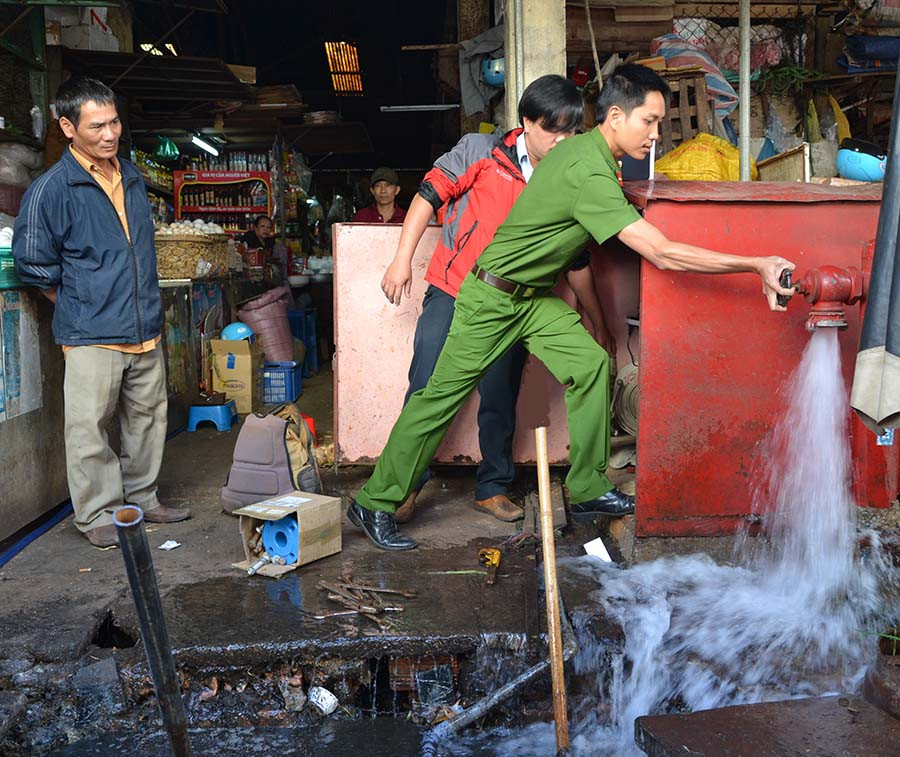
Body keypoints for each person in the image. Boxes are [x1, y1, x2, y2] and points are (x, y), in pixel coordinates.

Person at [346, 63, 795, 551]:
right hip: (491, 299)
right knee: (438, 401)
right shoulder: (587, 167)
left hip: (530, 299)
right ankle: (374, 501)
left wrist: (599, 321)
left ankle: (586, 488)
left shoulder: (589, 155)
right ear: (617, 116)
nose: (656, 134)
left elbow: (572, 250)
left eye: (660, 123)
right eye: (649, 121)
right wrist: (755, 263)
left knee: (589, 364)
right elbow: (661, 251)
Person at [380, 74, 613, 526]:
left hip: (510, 302)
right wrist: (400, 260)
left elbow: (575, 258)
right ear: (527, 121)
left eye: (573, 132)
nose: (565, 141)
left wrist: (597, 323)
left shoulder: (568, 176)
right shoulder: (480, 151)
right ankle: (403, 486)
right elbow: (429, 195)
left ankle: (492, 486)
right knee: (427, 384)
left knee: (500, 391)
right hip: (453, 288)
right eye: (555, 130)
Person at [12, 77, 190, 548]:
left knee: (148, 419)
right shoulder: (53, 188)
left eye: (114, 122)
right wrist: (76, 302)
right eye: (97, 126)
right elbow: (31, 261)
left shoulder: (130, 175)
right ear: (68, 127)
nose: (110, 134)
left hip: (143, 325)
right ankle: (97, 515)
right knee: (89, 427)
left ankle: (144, 498)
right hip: (92, 331)